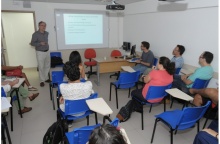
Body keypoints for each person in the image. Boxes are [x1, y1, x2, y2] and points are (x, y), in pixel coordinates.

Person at [31, 21, 50, 87]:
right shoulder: (35, 34)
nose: (44, 27)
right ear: (39, 26)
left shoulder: (47, 33)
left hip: (47, 51)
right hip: (40, 52)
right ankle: (42, 80)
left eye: (45, 25)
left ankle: (46, 78)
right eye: (42, 25)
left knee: (47, 65)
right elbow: (32, 43)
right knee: (41, 67)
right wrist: (40, 43)